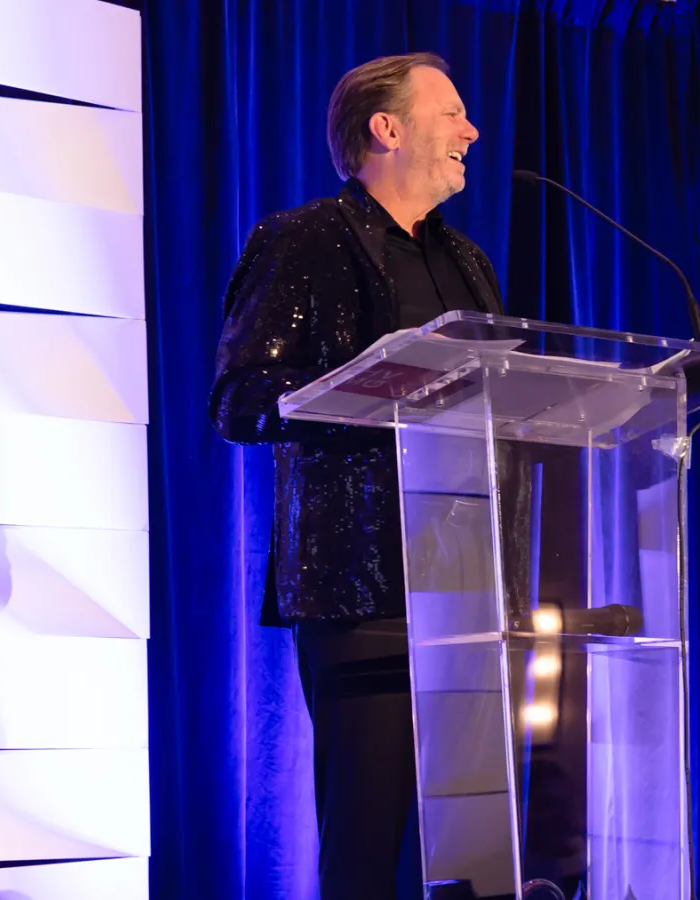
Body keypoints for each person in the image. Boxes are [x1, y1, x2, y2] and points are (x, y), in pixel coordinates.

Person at [209, 53, 502, 899]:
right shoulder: (303, 242)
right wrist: (365, 390)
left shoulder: (469, 264)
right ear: (388, 127)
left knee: (475, 853)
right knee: (369, 848)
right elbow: (237, 404)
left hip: (470, 590)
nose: (471, 132)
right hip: (360, 588)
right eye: (451, 114)